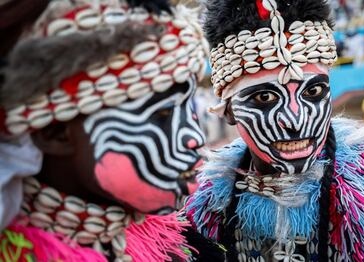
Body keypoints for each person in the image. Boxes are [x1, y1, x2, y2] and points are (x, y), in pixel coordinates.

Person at [185, 0, 364, 261]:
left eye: (313, 92)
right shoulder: (205, 210)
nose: (295, 119)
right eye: (264, 98)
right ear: (228, 111)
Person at [0, 0, 208, 260]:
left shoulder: (170, 243)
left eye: (188, 108)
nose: (196, 137)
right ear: (54, 132)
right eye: (162, 114)